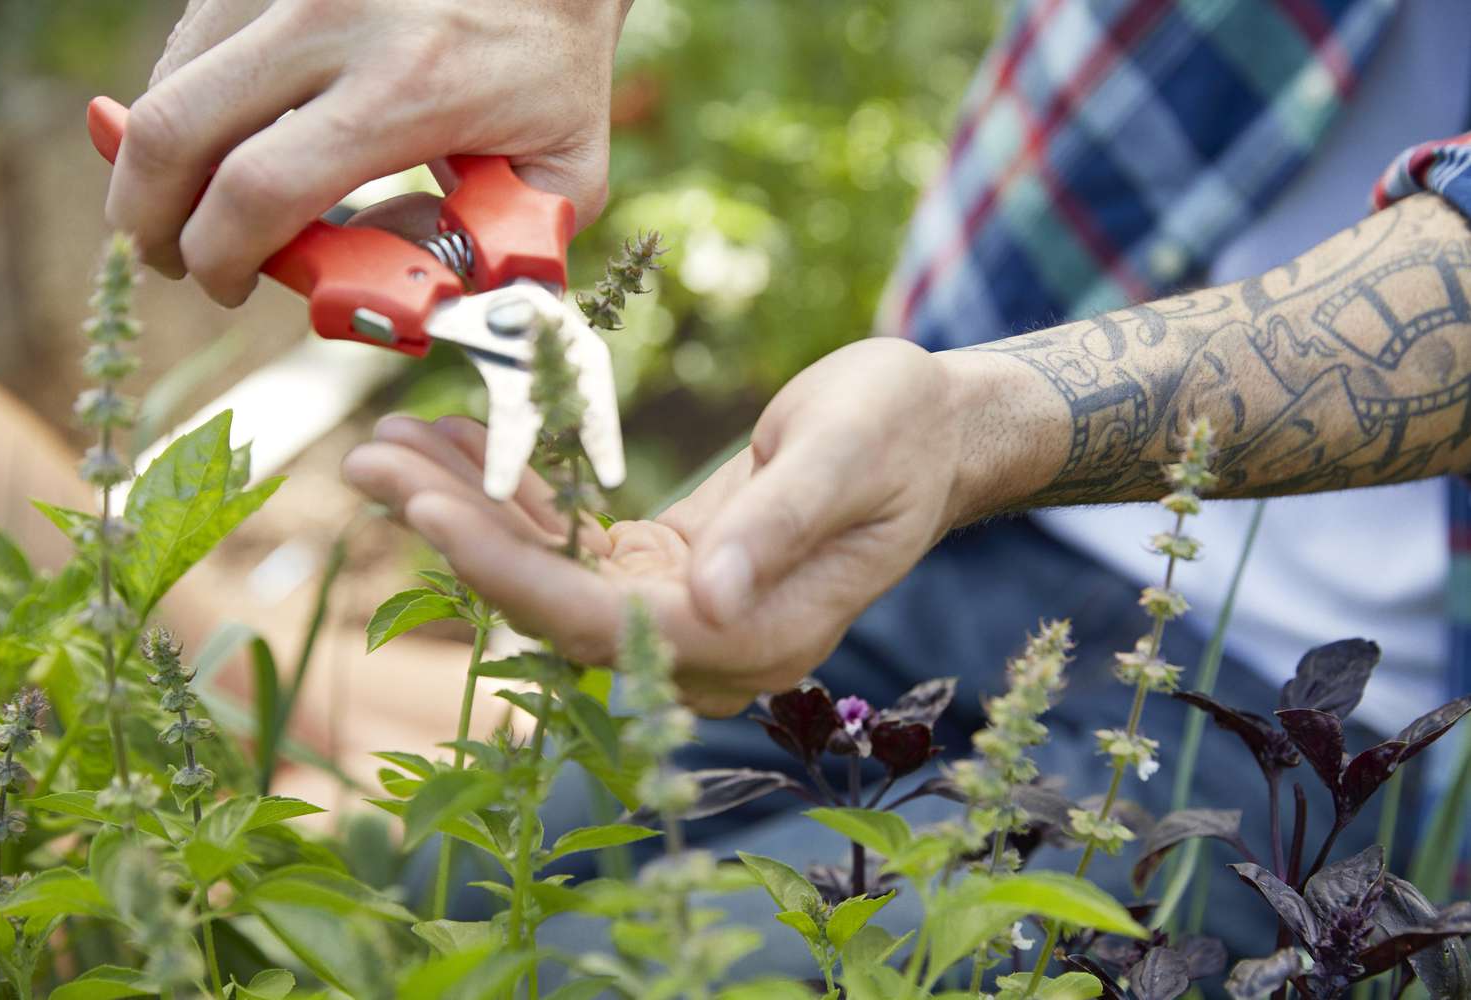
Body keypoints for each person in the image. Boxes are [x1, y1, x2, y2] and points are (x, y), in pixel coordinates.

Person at [109, 0, 1471, 969]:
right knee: (417, 903)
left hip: (1326, 736)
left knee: (628, 972)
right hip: (935, 530)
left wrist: (970, 421)